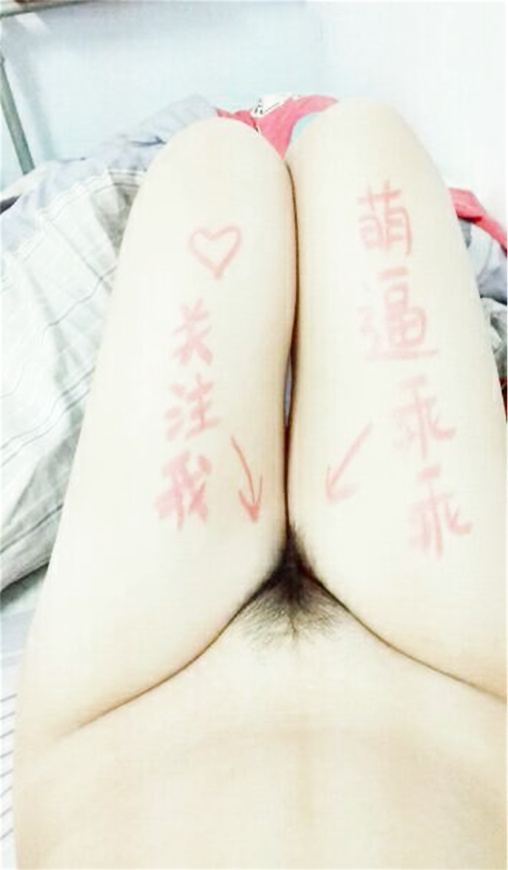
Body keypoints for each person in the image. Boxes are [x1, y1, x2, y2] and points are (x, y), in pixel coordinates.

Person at [13, 100, 506, 869]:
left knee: (211, 169)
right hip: (466, 692)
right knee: (363, 147)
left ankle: (266, 131)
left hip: (120, 710)